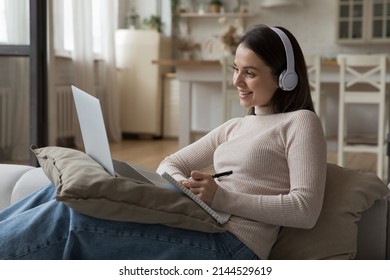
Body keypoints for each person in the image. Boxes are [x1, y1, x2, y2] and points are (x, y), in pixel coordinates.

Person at [0, 24, 327, 260]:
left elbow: (305, 210)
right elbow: (170, 163)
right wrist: (186, 188)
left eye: (250, 73)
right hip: (198, 223)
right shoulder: (235, 126)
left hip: (232, 248)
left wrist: (223, 199)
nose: (236, 82)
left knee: (71, 219)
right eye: (235, 69)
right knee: (62, 192)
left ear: (286, 78)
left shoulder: (300, 123)